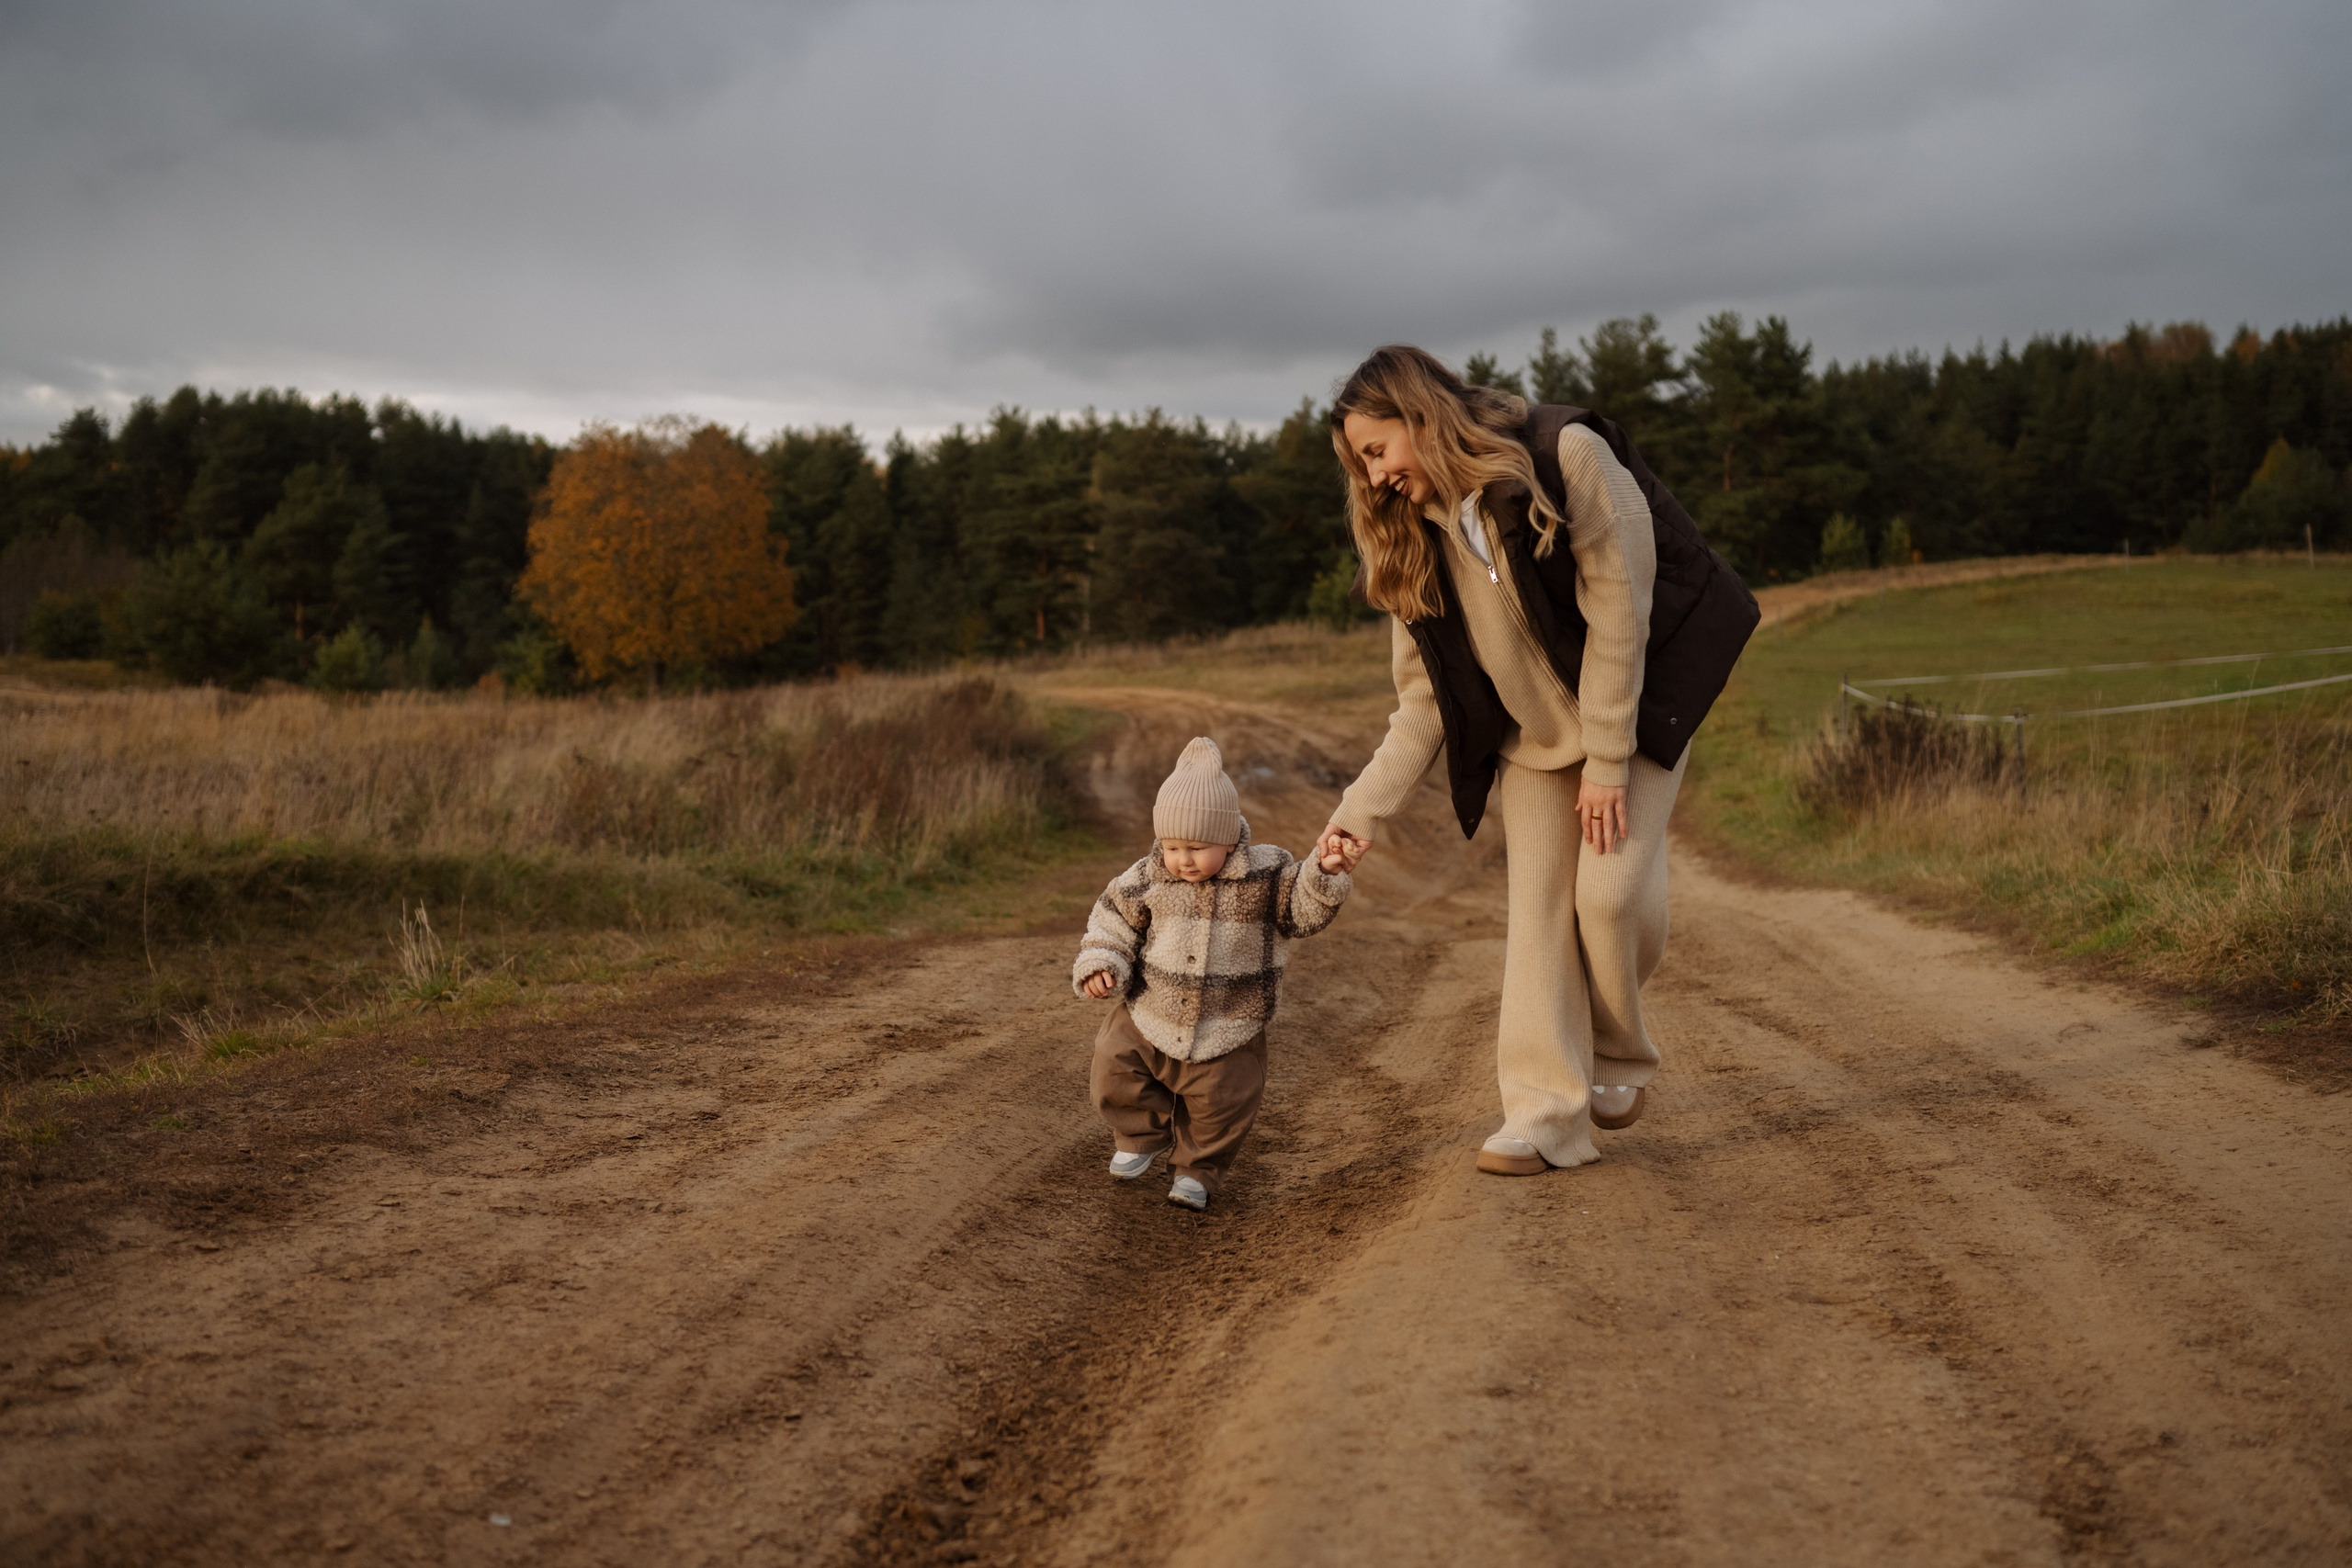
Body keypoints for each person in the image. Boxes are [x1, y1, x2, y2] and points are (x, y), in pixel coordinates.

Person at [1316, 345, 1757, 1177]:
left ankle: (1619, 1055)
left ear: (1420, 415)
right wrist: (1356, 815)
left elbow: (1623, 611)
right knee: (1541, 921)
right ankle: (1545, 1115)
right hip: (1533, 743)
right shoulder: (1413, 536)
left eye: (1376, 451)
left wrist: (1607, 759)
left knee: (1612, 893)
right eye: (1359, 464)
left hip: (1636, 711)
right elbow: (1420, 706)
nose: (1373, 479)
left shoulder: (1567, 457)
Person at [1073, 737, 1357, 1210]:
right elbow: (1112, 921)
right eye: (1172, 847)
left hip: (1231, 1019)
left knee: (1225, 1099)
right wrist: (1103, 963)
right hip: (1151, 1008)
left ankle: (1197, 1169)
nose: (1183, 859)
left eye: (1197, 847)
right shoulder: (1148, 876)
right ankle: (1140, 1136)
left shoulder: (1266, 874)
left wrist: (1323, 873)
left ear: (1229, 838)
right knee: (1113, 1061)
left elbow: (1301, 910)